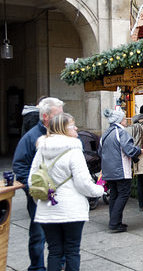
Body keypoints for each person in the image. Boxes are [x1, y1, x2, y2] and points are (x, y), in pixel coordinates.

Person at [28, 113, 104, 271]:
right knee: (72, 250)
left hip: (47, 207)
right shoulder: (74, 150)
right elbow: (83, 183)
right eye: (72, 125)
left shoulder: (41, 150)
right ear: (63, 128)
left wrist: (42, 198)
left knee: (54, 251)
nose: (76, 128)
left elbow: (32, 181)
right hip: (71, 209)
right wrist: (100, 189)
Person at [13, 97, 64, 271]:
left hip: (61, 194)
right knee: (38, 234)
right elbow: (19, 166)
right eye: (58, 114)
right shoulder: (31, 137)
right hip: (40, 196)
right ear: (46, 116)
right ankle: (37, 267)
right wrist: (34, 189)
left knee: (61, 231)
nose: (62, 118)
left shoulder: (61, 133)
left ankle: (60, 261)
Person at [99, 108, 143, 233]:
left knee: (114, 195)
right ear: (119, 120)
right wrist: (140, 151)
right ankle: (115, 223)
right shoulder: (121, 132)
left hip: (108, 171)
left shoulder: (105, 134)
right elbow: (129, 150)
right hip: (121, 170)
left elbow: (100, 152)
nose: (126, 120)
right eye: (124, 119)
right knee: (123, 194)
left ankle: (114, 221)